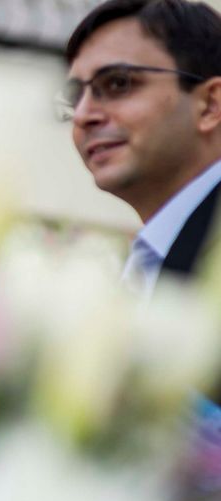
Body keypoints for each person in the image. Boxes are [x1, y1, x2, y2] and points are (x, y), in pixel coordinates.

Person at [63, 0, 221, 298]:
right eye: (75, 97)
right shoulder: (152, 257)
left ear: (210, 105)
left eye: (118, 83)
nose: (83, 115)